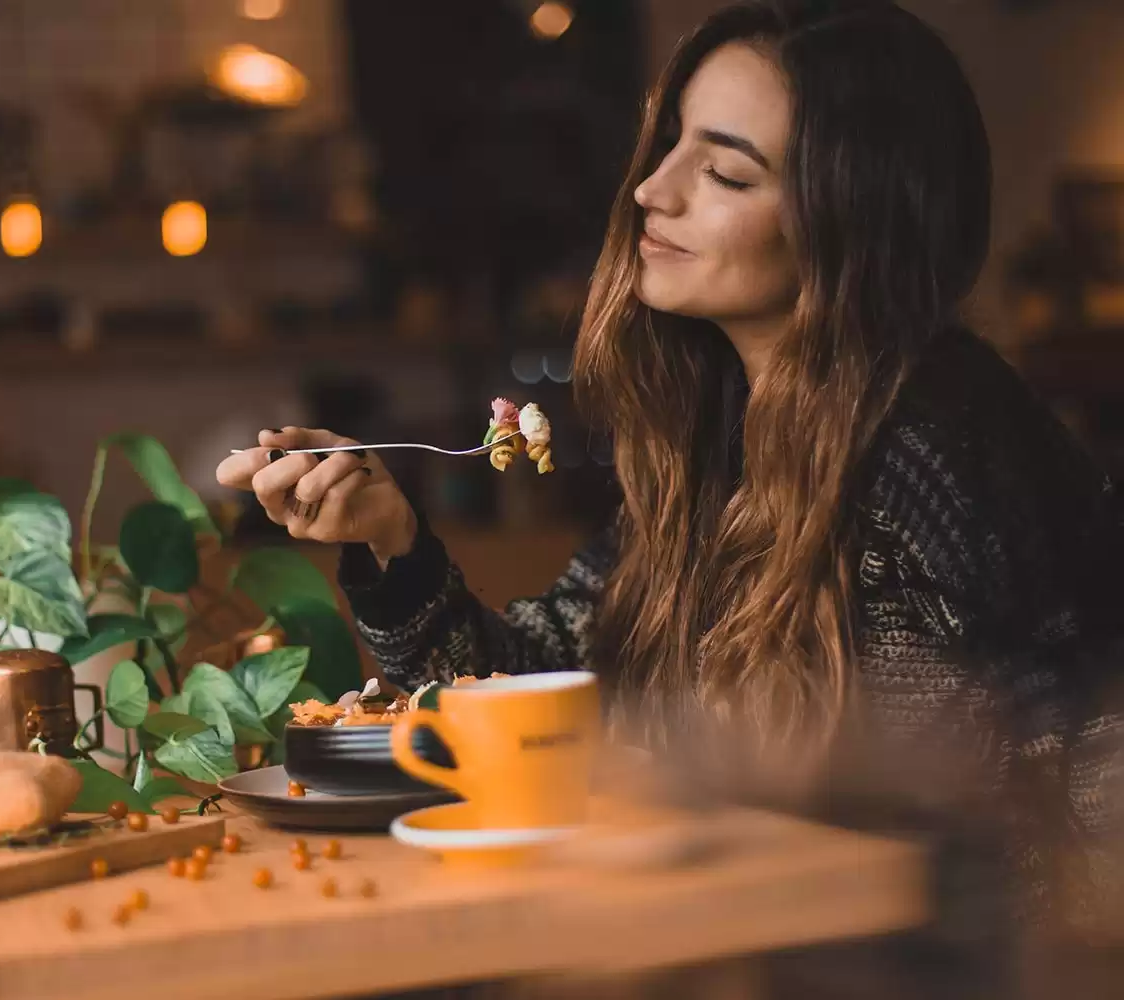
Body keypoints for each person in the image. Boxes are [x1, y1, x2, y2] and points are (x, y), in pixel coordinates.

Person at [218, 0, 1124, 923]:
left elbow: (1033, 820)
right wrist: (391, 538)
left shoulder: (932, 459)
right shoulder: (720, 431)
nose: (654, 188)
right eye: (674, 142)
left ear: (853, 223)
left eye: (726, 173)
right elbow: (554, 690)